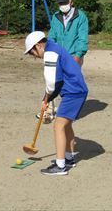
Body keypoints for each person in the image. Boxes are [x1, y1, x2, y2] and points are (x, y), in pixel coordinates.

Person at [24, 31, 88, 176]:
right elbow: (55, 82)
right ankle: (69, 158)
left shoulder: (50, 53)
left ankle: (60, 166)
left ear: (38, 45)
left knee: (58, 125)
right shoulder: (54, 47)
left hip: (74, 91)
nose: (34, 56)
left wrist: (46, 99)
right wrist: (46, 98)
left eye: (32, 53)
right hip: (77, 90)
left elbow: (53, 82)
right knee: (66, 125)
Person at [41, 0, 89, 123]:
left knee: (69, 84)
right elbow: (52, 35)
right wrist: (49, 51)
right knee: (52, 81)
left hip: (73, 56)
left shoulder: (81, 17)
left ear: (71, 1)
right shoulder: (56, 16)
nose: (62, 5)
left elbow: (82, 38)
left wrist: (78, 56)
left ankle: (65, 113)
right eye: (60, 3)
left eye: (64, 2)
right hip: (57, 55)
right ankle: (48, 111)